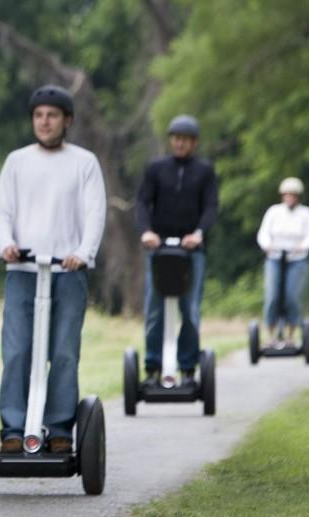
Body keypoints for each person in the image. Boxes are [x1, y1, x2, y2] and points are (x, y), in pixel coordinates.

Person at [0, 85, 106, 454]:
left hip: (68, 272)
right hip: (23, 271)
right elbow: (1, 212)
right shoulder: (17, 161)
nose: (44, 121)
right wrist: (5, 245)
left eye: (52, 115)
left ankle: (58, 429)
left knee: (65, 352)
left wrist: (83, 253)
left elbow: (94, 212)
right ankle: (12, 428)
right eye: (39, 115)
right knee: (17, 351)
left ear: (67, 121)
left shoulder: (84, 162)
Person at [136, 114, 218, 387]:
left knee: (190, 309)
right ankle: (152, 366)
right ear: (171, 140)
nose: (179, 144)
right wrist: (147, 231)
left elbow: (210, 208)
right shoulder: (157, 168)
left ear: (194, 142)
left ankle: (187, 368)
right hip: (159, 249)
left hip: (191, 250)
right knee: (154, 309)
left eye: (185, 139)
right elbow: (142, 203)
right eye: (176, 138)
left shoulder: (204, 171)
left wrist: (198, 234)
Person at [257, 177, 309, 346]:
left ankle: (291, 336)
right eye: (287, 194)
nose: (290, 197)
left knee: (292, 297)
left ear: (298, 196)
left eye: (293, 195)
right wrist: (266, 245)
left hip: (296, 259)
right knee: (272, 297)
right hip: (275, 258)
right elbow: (263, 233)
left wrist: (302, 246)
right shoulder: (274, 212)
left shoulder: (306, 213)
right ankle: (270, 336)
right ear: (282, 196)